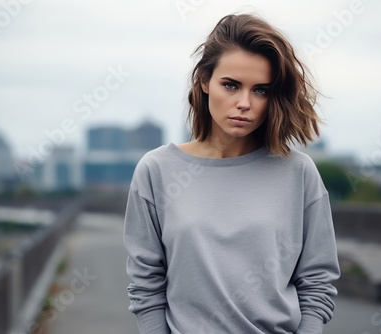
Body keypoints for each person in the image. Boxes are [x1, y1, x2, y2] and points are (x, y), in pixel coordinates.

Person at [123, 12, 340, 334]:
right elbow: (145, 285)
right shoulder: (157, 171)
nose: (244, 103)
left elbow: (318, 281)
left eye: (261, 90)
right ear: (204, 81)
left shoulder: (298, 172)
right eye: (231, 85)